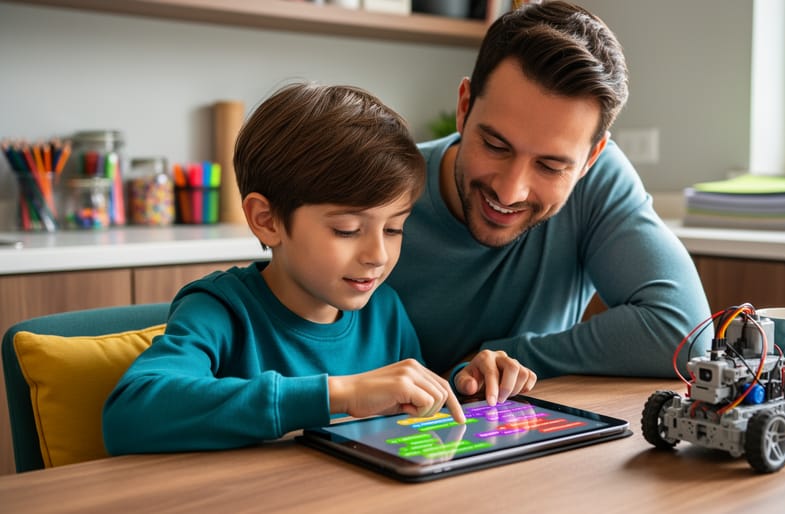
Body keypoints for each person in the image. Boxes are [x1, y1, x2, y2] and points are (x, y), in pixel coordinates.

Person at [103, 83, 536, 454]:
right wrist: (340, 393)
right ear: (267, 220)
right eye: (347, 230)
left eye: (394, 229)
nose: (377, 255)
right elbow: (130, 414)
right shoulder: (220, 310)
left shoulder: (383, 310)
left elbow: (411, 408)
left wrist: (464, 385)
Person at [387, 1, 711, 387]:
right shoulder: (380, 190)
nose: (509, 191)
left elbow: (686, 337)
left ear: (591, 157)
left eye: (550, 167)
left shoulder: (596, 183)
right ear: (464, 107)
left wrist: (504, 358)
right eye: (495, 145)